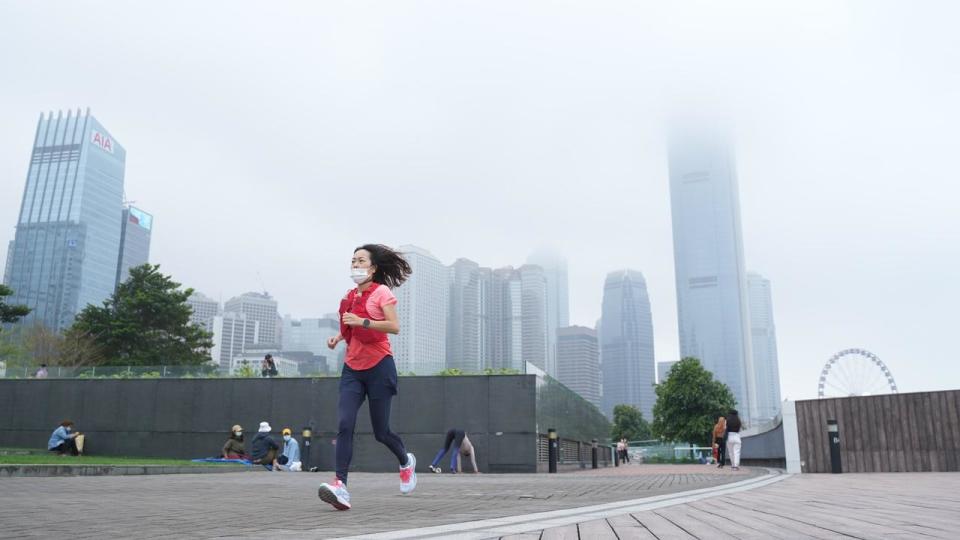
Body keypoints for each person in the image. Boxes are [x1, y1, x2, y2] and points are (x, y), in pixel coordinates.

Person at [317, 244, 417, 511]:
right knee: (344, 423)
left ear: (372, 268)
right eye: (353, 260)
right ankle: (341, 486)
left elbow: (394, 326)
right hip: (352, 368)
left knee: (381, 432)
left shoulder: (382, 292)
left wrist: (363, 322)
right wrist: (338, 337)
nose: (355, 265)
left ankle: (406, 461)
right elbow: (349, 325)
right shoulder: (350, 296)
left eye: (361, 260)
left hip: (379, 367)